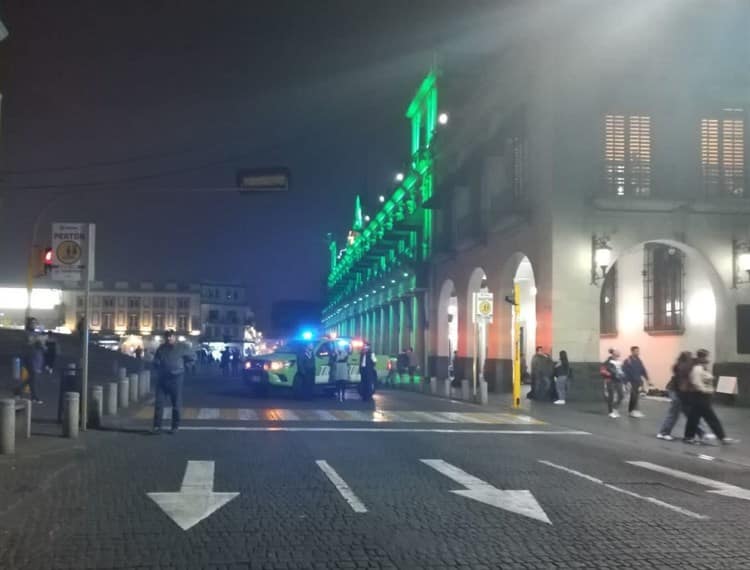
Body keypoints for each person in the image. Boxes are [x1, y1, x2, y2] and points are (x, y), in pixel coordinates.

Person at [680, 349, 735, 445]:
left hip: (703, 396)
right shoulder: (697, 369)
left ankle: (688, 437)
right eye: (706, 357)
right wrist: (704, 390)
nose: (708, 359)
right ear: (702, 358)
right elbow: (696, 382)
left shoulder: (703, 368)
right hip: (700, 396)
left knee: (694, 418)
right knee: (710, 417)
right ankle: (722, 437)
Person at [657, 351, 708, 441]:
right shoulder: (682, 367)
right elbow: (683, 384)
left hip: (679, 391)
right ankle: (663, 433)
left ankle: (701, 432)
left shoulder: (687, 365)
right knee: (675, 412)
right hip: (676, 391)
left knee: (689, 413)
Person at [152, 330, 195, 434]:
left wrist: (185, 368)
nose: (169, 338)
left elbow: (192, 358)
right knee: (159, 403)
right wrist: (156, 364)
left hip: (176, 378)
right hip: (162, 378)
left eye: (171, 337)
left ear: (174, 337)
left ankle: (175, 426)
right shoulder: (161, 348)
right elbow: (156, 360)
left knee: (176, 404)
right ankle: (157, 426)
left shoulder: (182, 347)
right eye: (167, 337)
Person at [623, 346, 649, 418]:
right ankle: (631, 411)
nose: (638, 352)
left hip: (638, 381)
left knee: (637, 396)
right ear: (632, 351)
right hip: (632, 381)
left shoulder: (638, 360)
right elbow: (624, 372)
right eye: (636, 351)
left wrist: (647, 379)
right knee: (633, 396)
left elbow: (643, 370)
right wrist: (626, 382)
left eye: (638, 351)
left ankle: (635, 410)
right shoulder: (628, 361)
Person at [601, 348, 625, 418]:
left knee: (621, 395)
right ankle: (610, 412)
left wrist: (622, 375)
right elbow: (602, 371)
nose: (617, 357)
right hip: (610, 381)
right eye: (616, 355)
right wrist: (610, 374)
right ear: (613, 355)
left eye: (618, 356)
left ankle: (614, 407)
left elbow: (621, 371)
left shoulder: (619, 363)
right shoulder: (607, 362)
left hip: (618, 381)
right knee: (611, 396)